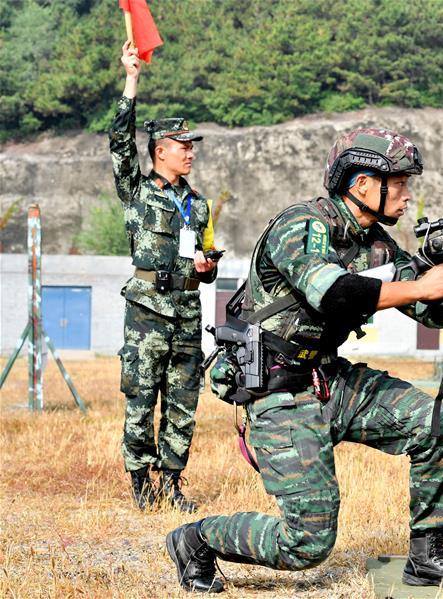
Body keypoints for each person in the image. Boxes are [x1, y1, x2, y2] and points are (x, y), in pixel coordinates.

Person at [165, 128, 443, 593]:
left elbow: (433, 312)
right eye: (399, 183)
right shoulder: (301, 225)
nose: (407, 195)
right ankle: (196, 539)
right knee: (306, 544)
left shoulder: (378, 245)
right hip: (279, 392)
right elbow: (332, 293)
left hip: (328, 379)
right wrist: (418, 285)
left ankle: (426, 557)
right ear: (362, 184)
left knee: (436, 426)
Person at [110, 41, 219, 513]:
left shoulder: (199, 204)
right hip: (147, 311)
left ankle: (172, 483)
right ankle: (141, 481)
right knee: (140, 397)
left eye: (192, 146)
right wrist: (131, 79)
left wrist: (209, 266)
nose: (190, 153)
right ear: (160, 151)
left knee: (182, 401)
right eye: (183, 146)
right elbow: (119, 141)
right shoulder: (136, 191)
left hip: (187, 312)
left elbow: (208, 258)